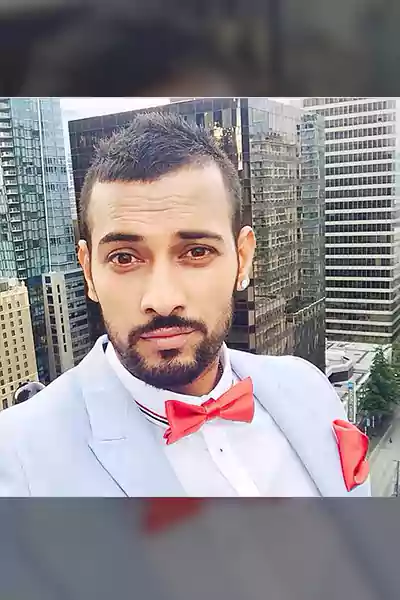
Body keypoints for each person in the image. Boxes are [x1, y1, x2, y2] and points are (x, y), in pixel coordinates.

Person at [0, 112, 370, 497]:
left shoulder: (307, 385)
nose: (162, 300)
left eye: (196, 252)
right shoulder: (17, 458)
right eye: (124, 258)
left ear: (243, 258)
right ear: (89, 272)